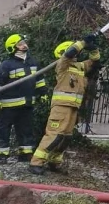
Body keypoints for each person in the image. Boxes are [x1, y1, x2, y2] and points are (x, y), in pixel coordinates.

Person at [30, 34, 99, 175]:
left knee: (65, 137)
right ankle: (36, 163)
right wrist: (83, 42)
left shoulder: (80, 67)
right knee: (54, 135)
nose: (78, 53)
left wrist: (93, 49)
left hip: (74, 107)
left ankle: (54, 162)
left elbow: (95, 62)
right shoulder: (62, 65)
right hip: (61, 107)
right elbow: (69, 53)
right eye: (75, 50)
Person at [0, 34, 47, 163]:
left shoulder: (33, 62)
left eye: (24, 42)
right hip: (8, 106)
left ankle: (26, 154)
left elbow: (40, 81)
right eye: (20, 43)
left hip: (27, 104)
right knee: (4, 131)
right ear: (12, 48)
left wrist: (42, 93)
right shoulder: (6, 65)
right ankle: (2, 155)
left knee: (26, 130)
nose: (24, 45)